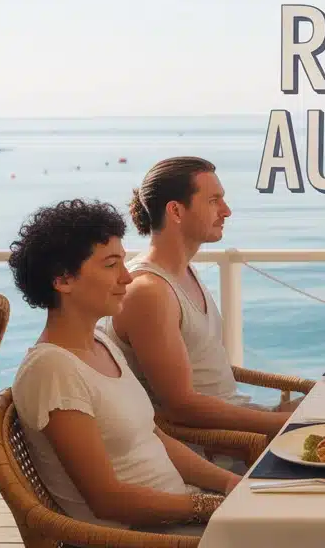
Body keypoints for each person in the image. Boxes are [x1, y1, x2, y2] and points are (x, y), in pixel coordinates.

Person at [8, 199, 240, 548]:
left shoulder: (101, 343)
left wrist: (228, 483)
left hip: (177, 527)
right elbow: (107, 499)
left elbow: (154, 437)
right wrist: (204, 506)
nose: (127, 278)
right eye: (110, 265)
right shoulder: (52, 370)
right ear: (62, 280)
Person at [99, 157, 301, 473]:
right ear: (176, 211)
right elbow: (181, 407)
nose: (226, 211)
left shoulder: (182, 273)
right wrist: (283, 423)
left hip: (241, 428)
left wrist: (282, 415)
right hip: (220, 451)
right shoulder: (149, 292)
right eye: (213, 200)